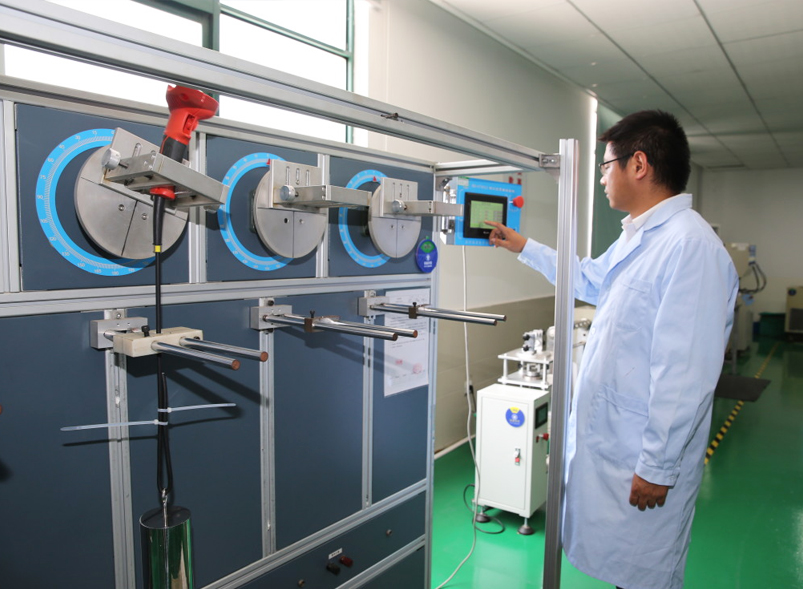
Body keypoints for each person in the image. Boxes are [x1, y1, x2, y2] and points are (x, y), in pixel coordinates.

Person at [487, 110, 738, 589]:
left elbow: (684, 372)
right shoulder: (639, 238)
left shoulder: (691, 248)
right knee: (624, 572)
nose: (602, 178)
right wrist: (525, 247)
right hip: (617, 446)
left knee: (643, 577)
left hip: (642, 457)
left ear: (638, 165)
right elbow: (589, 280)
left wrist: (658, 466)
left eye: (606, 166)